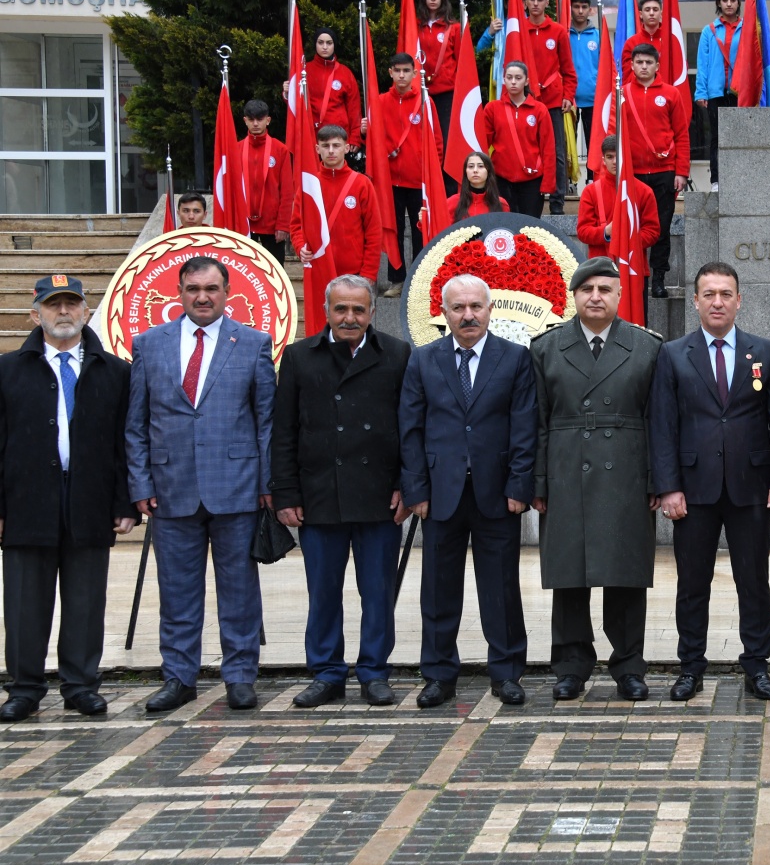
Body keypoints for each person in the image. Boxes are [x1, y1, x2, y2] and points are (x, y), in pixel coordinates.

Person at [126, 257, 276, 713]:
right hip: (171, 488)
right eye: (193, 289)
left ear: (228, 291)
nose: (202, 297)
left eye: (211, 288)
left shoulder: (252, 343)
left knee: (239, 591)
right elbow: (137, 423)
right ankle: (178, 678)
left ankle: (240, 676)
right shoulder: (149, 344)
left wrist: (268, 484)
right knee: (176, 592)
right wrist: (139, 482)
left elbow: (266, 421)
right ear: (179, 292)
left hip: (237, 487)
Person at [649, 262, 770, 702]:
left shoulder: (764, 352)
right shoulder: (672, 354)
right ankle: (691, 667)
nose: (717, 302)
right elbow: (662, 425)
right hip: (694, 489)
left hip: (751, 487)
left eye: (726, 294)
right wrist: (668, 486)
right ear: (695, 301)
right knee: (692, 583)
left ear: (739, 300)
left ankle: (757, 665)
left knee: (754, 581)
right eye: (708, 294)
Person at [0, 276, 136, 721]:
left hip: (90, 501)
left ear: (85, 309)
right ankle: (24, 687)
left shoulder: (114, 371)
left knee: (85, 601)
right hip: (25, 502)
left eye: (71, 304)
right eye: (53, 305)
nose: (63, 313)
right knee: (24, 603)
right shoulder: (7, 370)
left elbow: (123, 443)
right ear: (34, 313)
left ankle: (80, 685)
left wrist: (125, 502)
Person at [271, 275, 410, 708]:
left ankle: (374, 672)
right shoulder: (298, 357)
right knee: (324, 592)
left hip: (379, 498)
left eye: (358, 310)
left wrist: (408, 484)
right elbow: (284, 431)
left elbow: (412, 427)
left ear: (371, 312)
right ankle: (327, 673)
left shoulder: (399, 354)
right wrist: (285, 493)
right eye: (341, 309)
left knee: (378, 592)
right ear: (327, 311)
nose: (349, 318)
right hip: (318, 496)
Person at [399, 275, 535, 708]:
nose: (468, 315)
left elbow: (524, 427)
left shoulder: (514, 359)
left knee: (502, 588)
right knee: (438, 590)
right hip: (441, 495)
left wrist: (519, 485)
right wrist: (416, 489)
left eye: (476, 306)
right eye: (458, 308)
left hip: (497, 494)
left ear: (490, 309)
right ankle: (439, 675)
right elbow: (411, 429)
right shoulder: (423, 360)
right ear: (444, 312)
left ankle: (507, 672)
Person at [531, 257, 663, 702]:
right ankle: (571, 666)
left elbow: (657, 421)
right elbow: (537, 421)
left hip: (626, 473)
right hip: (567, 471)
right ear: (574, 296)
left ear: (619, 295)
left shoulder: (646, 347)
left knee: (625, 574)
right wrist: (538, 482)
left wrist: (656, 481)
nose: (596, 297)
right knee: (570, 575)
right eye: (587, 290)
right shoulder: (546, 348)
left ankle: (629, 666)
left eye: (605, 289)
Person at [623, 43, 690, 297]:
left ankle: (658, 279)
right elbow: (614, 134)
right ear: (631, 65)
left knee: (661, 227)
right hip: (633, 174)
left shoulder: (671, 94)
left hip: (664, 172)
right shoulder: (623, 93)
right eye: (639, 62)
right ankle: (634, 276)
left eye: (648, 63)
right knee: (633, 227)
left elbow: (681, 134)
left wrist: (681, 171)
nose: (643, 67)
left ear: (657, 66)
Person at [372, 52, 441, 288]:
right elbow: (372, 140)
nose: (402, 75)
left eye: (406, 71)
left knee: (421, 230)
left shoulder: (425, 101)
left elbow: (437, 140)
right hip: (390, 180)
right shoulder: (379, 102)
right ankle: (397, 281)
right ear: (390, 73)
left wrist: (434, 174)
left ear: (413, 73)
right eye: (397, 71)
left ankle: (420, 280)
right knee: (394, 231)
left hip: (419, 179)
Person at [576, 135, 661, 311]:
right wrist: (606, 231)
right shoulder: (591, 192)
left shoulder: (644, 191)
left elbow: (653, 232)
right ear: (603, 160)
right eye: (609, 156)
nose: (615, 161)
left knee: (635, 324)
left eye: (619, 156)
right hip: (600, 269)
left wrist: (627, 239)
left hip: (634, 270)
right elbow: (583, 231)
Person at [294, 125, 380, 284]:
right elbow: (297, 225)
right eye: (326, 146)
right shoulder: (309, 186)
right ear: (317, 149)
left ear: (346, 148)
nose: (331, 151)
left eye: (336, 145)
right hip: (319, 268)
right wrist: (300, 247)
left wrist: (368, 273)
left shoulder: (362, 184)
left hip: (354, 274)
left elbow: (373, 231)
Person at [519, 0, 577, 214]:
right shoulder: (519, 29)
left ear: (546, 3)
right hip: (525, 100)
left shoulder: (558, 31)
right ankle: (528, 202)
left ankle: (557, 203)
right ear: (525, 2)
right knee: (526, 150)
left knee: (556, 153)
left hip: (553, 101)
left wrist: (568, 96)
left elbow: (568, 69)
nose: (535, 4)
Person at [480, 60, 552, 217]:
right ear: (504, 79)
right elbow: (482, 144)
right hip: (501, 179)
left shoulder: (539, 110)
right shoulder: (492, 108)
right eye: (509, 77)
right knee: (503, 227)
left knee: (530, 229)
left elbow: (548, 148)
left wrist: (548, 182)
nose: (513, 82)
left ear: (526, 81)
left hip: (532, 180)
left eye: (518, 78)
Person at [694, 0, 742, 192]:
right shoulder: (709, 31)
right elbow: (702, 64)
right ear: (719, 3)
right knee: (716, 137)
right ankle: (716, 180)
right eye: (725, 0)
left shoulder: (748, 27)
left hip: (740, 92)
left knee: (740, 136)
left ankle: (739, 176)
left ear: (739, 2)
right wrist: (701, 92)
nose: (729, 3)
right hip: (716, 92)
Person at [240, 99, 293, 262]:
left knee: (275, 272)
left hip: (272, 225)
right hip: (244, 224)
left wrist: (283, 225)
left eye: (260, 119)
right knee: (244, 272)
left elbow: (287, 190)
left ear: (267, 120)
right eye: (251, 119)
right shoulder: (236, 149)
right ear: (245, 121)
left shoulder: (280, 149)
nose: (256, 124)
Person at [305, 28, 363, 164]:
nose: (325, 47)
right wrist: (287, 93)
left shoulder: (345, 73)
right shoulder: (305, 71)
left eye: (329, 43)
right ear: (315, 44)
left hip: (339, 137)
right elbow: (295, 104)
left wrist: (355, 137)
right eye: (320, 43)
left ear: (334, 45)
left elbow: (354, 108)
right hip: (313, 138)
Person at [417, 0, 458, 142]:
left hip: (447, 93)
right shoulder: (415, 25)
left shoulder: (453, 28)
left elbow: (461, 61)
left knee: (445, 138)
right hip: (421, 91)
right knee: (425, 138)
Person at [566, 0, 600, 174]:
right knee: (568, 143)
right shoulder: (563, 33)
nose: (580, 11)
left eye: (584, 7)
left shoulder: (598, 35)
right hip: (567, 99)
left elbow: (605, 67)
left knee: (593, 144)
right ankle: (568, 182)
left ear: (590, 10)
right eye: (576, 6)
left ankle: (592, 179)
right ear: (570, 8)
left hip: (593, 98)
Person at [449, 151, 511, 220]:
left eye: (481, 166)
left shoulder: (501, 204)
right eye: (471, 166)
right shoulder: (451, 203)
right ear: (465, 171)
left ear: (488, 171)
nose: (475, 170)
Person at [620, 0, 667, 77]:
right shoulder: (631, 43)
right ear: (640, 14)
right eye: (647, 10)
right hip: (639, 89)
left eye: (655, 10)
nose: (651, 13)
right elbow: (627, 76)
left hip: (666, 89)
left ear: (661, 13)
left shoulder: (670, 41)